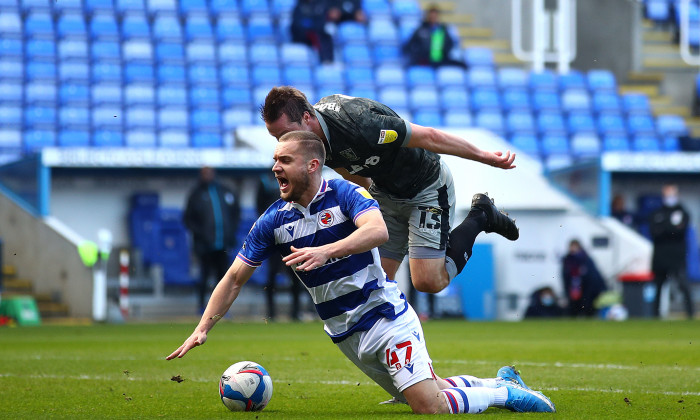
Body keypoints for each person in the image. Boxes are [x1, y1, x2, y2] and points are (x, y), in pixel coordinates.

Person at [167, 131, 555, 414]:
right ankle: (500, 381)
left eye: (284, 160)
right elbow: (234, 277)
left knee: (429, 407)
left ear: (312, 165)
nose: (275, 168)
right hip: (346, 335)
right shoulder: (274, 220)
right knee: (425, 390)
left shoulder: (345, 193)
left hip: (385, 318)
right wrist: (203, 327)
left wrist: (326, 251)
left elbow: (379, 231)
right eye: (275, 161)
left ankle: (507, 394)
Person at [261, 86, 519, 295]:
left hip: (425, 187)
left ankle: (480, 216)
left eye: (285, 134)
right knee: (376, 284)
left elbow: (429, 136)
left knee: (428, 282)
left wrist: (485, 156)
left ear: (307, 117)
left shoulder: (359, 124)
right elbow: (348, 170)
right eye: (277, 139)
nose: (283, 144)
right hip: (384, 194)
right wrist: (368, 206)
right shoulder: (310, 143)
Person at [183, 166, 240, 313]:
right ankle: (202, 307)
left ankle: (222, 309)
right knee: (204, 276)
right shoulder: (196, 194)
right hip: (204, 245)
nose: (208, 175)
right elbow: (188, 219)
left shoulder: (225, 191)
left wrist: (231, 231)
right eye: (204, 173)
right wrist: (201, 234)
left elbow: (235, 213)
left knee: (223, 278)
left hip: (224, 244)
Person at [257, 172, 303, 321]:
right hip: (274, 237)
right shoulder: (265, 181)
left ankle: (296, 312)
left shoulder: (293, 179)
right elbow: (260, 207)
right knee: (272, 275)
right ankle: (271, 313)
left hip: (293, 235)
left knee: (297, 274)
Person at [649, 184, 695, 319]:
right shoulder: (657, 213)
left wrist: (665, 229)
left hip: (677, 256)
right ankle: (655, 316)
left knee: (683, 285)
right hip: (660, 256)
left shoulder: (683, 212)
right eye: (666, 194)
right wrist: (671, 229)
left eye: (671, 194)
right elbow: (654, 232)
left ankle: (690, 314)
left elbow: (680, 232)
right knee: (658, 286)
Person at [402, 4, 467, 68]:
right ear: (428, 16)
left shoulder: (443, 29)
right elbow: (409, 45)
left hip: (441, 59)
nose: (433, 18)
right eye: (431, 16)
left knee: (462, 65)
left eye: (435, 16)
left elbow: (450, 43)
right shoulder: (421, 29)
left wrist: (444, 51)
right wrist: (418, 54)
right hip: (425, 60)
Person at [561, 239, 607, 317]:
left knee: (587, 305)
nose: (573, 249)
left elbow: (592, 276)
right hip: (573, 287)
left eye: (574, 246)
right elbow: (565, 276)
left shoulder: (586, 259)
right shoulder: (567, 260)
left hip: (586, 288)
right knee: (573, 306)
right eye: (571, 246)